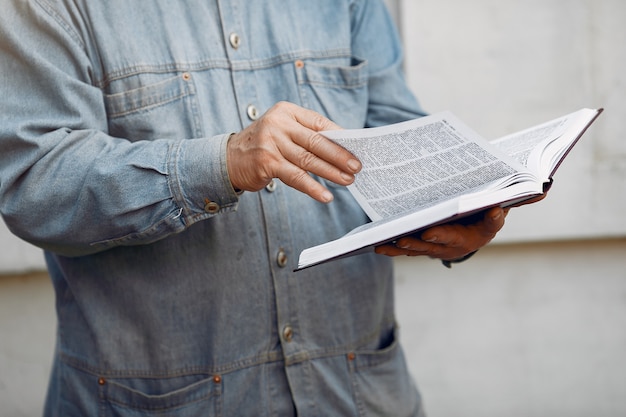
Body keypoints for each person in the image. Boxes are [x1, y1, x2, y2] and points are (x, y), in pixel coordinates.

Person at [0, 0, 508, 415]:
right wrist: (221, 164)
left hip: (359, 397)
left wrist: (456, 214)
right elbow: (35, 184)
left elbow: (394, 134)